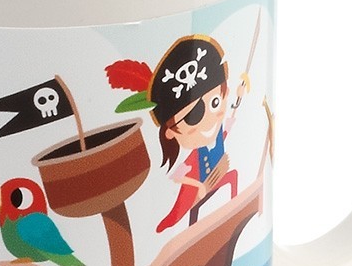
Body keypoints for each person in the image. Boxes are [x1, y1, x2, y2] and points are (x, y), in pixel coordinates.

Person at [106, 35, 248, 233]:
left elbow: (226, 130)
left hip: (215, 177)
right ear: (170, 132)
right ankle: (191, 233)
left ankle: (232, 211)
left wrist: (239, 97)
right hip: (196, 190)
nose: (211, 117)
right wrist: (199, 187)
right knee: (178, 218)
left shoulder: (216, 136)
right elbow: (178, 176)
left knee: (233, 177)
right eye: (193, 117)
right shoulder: (194, 158)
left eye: (216, 101)